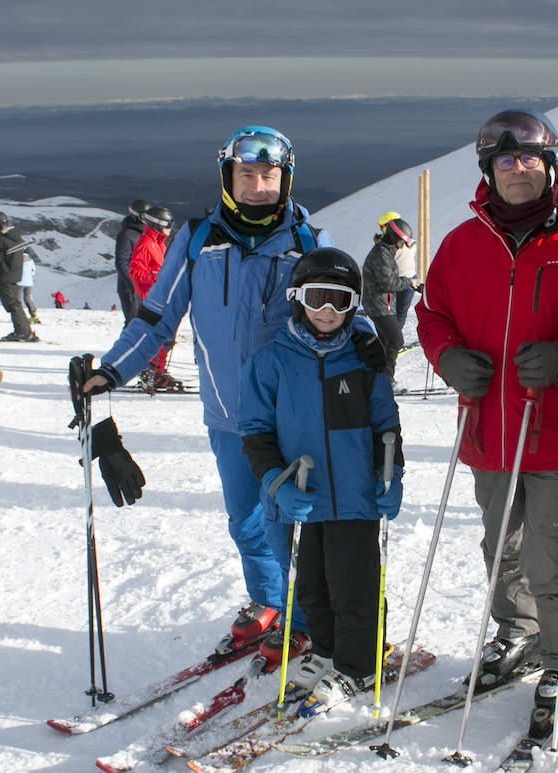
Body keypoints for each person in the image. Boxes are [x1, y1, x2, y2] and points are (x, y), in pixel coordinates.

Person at [75, 126, 385, 664]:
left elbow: (340, 308)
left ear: (284, 179)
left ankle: (306, 620)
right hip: (227, 414)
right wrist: (111, 372)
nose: (259, 186)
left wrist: (370, 344)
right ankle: (271, 602)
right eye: (247, 175)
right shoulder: (198, 241)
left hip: (297, 414)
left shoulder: (308, 240)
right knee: (246, 520)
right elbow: (155, 317)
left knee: (299, 521)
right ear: (228, 178)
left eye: (269, 176)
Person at [415, 109, 558, 724]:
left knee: (550, 552)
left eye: (530, 159)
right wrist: (447, 357)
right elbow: (432, 314)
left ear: (552, 166)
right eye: (505, 161)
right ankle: (518, 628)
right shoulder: (461, 243)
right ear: (488, 171)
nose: (519, 170)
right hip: (487, 427)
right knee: (500, 545)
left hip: (554, 427)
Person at [238, 247, 403, 712]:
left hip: (355, 496)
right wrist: (274, 480)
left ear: (354, 305)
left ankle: (359, 665)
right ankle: (329, 652)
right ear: (297, 299)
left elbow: (385, 425)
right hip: (303, 496)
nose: (328, 311)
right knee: (311, 585)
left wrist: (392, 475)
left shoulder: (363, 361)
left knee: (354, 586)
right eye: (317, 298)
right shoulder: (270, 361)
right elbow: (255, 431)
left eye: (340, 300)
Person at [128, 205, 183, 390]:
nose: (170, 228)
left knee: (165, 335)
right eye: (168, 224)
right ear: (158, 224)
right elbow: (135, 271)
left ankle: (156, 370)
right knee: (156, 335)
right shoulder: (145, 242)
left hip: (158, 295)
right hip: (147, 297)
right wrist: (156, 276)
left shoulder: (158, 243)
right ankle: (151, 372)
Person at [361, 215, 419, 377]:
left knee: (386, 341)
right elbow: (388, 284)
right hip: (378, 306)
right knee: (396, 341)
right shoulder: (381, 255)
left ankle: (379, 376)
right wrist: (408, 283)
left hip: (382, 304)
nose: (401, 247)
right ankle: (387, 379)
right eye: (401, 242)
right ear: (394, 238)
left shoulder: (385, 252)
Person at [0, 211, 38, 341]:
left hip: (4, 276)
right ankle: (26, 330)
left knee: (12, 305)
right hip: (15, 275)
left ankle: (21, 332)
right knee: (16, 304)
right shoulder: (16, 237)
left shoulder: (1, 241)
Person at [114, 199, 150, 328]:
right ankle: (123, 348)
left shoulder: (143, 234)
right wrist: (132, 285)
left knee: (141, 323)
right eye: (143, 216)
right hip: (130, 289)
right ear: (135, 215)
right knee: (132, 323)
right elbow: (121, 261)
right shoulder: (127, 235)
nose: (146, 219)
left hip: (142, 286)